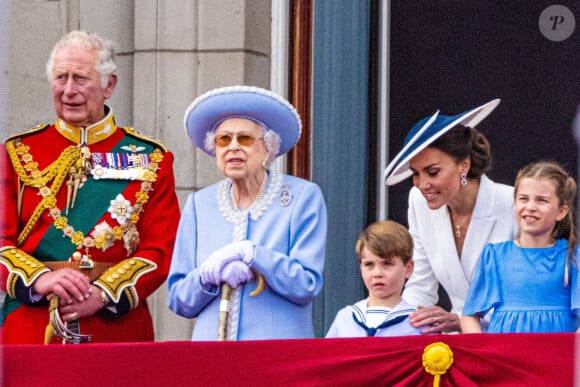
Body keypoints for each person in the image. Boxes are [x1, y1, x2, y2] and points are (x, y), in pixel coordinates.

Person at [0, 30, 180, 344]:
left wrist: (103, 293)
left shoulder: (152, 158)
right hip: (32, 324)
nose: (69, 90)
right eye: (60, 78)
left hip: (116, 328)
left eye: (81, 78)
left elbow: (161, 248)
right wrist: (43, 279)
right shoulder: (16, 153)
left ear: (109, 85)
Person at [167, 85, 327, 340]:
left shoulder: (302, 197)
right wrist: (208, 275)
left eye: (245, 139)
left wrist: (255, 255)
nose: (233, 147)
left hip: (276, 354)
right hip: (212, 357)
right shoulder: (199, 204)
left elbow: (306, 285)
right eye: (223, 140)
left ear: (268, 148)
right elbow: (178, 299)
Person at [383, 99, 517, 333]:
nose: (422, 184)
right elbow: (420, 286)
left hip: (509, 339)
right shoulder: (418, 202)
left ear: (463, 165)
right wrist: (398, 329)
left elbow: (527, 298)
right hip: (455, 344)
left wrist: (461, 321)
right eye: (415, 174)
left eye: (433, 172)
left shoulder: (514, 205)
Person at [461, 161, 580, 333]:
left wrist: (567, 353)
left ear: (561, 211)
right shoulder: (495, 255)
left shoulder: (573, 257)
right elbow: (470, 315)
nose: (530, 207)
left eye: (542, 200)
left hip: (556, 357)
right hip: (505, 355)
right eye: (523, 198)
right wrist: (484, 353)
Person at [326, 220, 423, 337]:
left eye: (387, 264)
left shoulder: (420, 323)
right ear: (361, 267)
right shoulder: (345, 318)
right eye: (369, 264)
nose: (377, 273)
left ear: (408, 269)